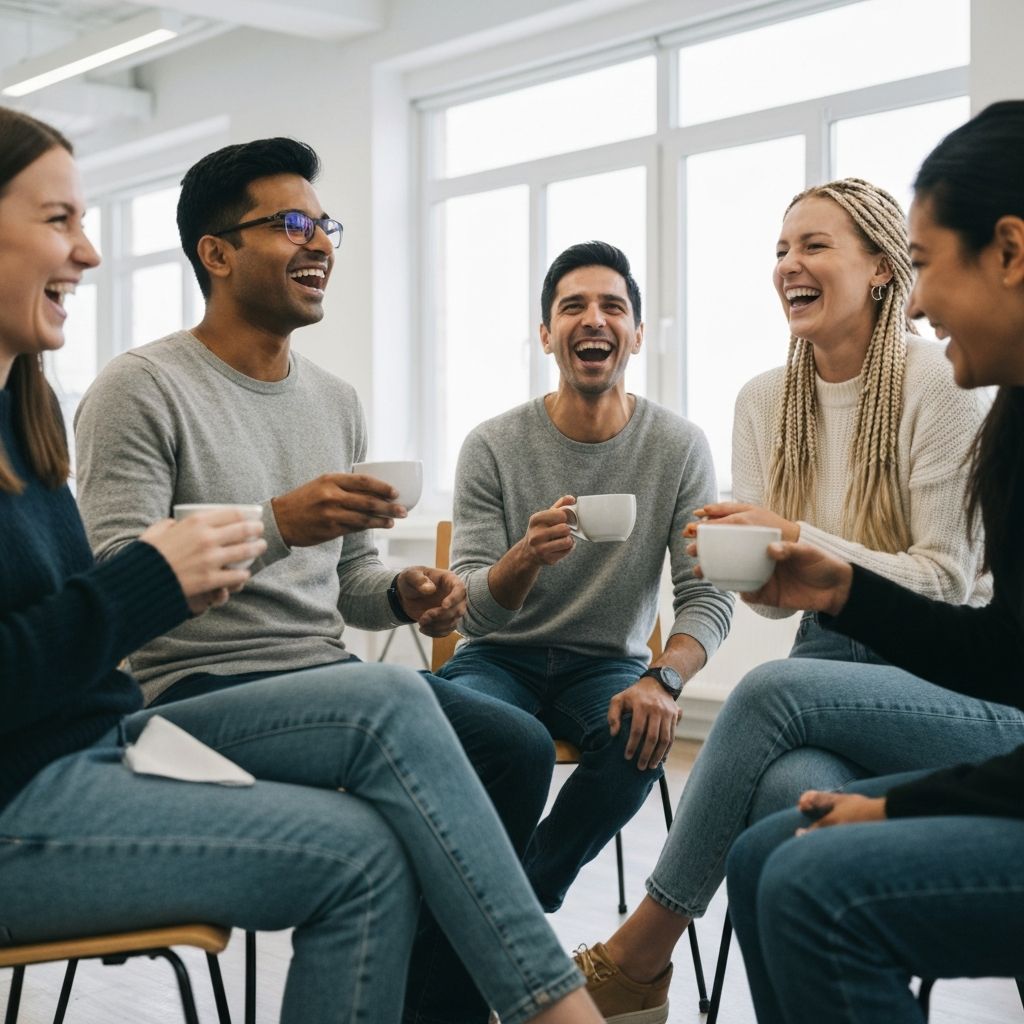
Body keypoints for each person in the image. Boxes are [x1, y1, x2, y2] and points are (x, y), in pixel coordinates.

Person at [0, 105, 605, 1024]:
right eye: (292, 224)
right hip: (196, 688)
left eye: (326, 225)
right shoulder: (143, 386)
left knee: (511, 745)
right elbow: (121, 582)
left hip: (310, 680)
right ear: (217, 253)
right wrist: (275, 524)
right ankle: (551, 1003)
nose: (319, 241)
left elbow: (351, 587)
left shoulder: (332, 400)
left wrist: (402, 594)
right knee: (389, 706)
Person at [573, 180, 1020, 1023]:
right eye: (782, 250)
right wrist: (748, 559)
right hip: (830, 669)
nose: (789, 266)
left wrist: (802, 540)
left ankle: (641, 953)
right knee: (791, 797)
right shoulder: (762, 399)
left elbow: (947, 583)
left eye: (814, 246)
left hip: (957, 683)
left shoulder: (942, 381)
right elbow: (779, 611)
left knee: (771, 691)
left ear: (884, 269)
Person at [726, 99, 1024, 1024]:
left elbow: (965, 610)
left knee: (808, 878)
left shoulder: (944, 387)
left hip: (976, 736)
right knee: (763, 844)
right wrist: (842, 590)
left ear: (1010, 251)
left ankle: (645, 943)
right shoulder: (1014, 419)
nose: (922, 301)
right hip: (896, 685)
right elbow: (1010, 648)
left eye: (926, 266)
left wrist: (896, 814)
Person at [437, 241, 734, 913]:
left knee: (643, 734)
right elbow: (475, 614)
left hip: (605, 663)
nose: (594, 319)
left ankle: (522, 889)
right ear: (546, 334)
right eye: (573, 307)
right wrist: (525, 557)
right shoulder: (491, 444)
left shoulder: (678, 445)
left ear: (633, 333)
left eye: (613, 307)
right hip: (497, 658)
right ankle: (481, 905)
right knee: (492, 734)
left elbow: (706, 594)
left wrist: (664, 679)